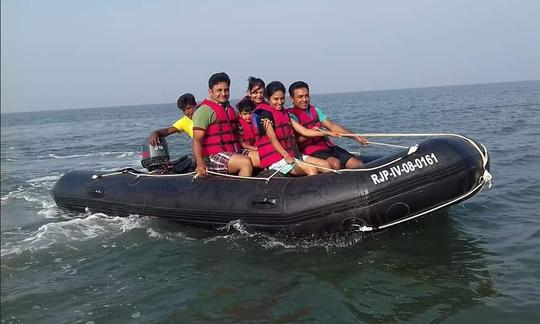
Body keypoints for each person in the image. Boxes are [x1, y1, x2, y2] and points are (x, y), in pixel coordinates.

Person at [254, 81, 337, 176]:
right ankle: (311, 191)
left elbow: (304, 131)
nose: (280, 102)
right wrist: (285, 155)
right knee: (311, 170)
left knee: (325, 165)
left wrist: (327, 133)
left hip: (292, 154)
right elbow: (273, 140)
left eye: (282, 98)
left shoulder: (285, 113)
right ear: (268, 99)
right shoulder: (266, 116)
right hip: (277, 159)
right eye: (275, 99)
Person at [287, 81, 369, 170]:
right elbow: (293, 142)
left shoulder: (315, 110)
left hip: (327, 146)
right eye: (300, 97)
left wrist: (356, 137)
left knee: (357, 164)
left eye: (307, 96)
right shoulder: (291, 116)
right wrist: (316, 133)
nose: (304, 99)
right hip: (309, 150)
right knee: (335, 164)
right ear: (292, 99)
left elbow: (332, 127)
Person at [192, 72, 253, 177]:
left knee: (261, 157)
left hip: (233, 151)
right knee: (245, 162)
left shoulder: (230, 109)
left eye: (226, 90)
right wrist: (200, 164)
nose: (223, 93)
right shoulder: (204, 111)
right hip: (213, 157)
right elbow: (196, 140)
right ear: (210, 91)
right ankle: (240, 192)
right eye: (219, 90)